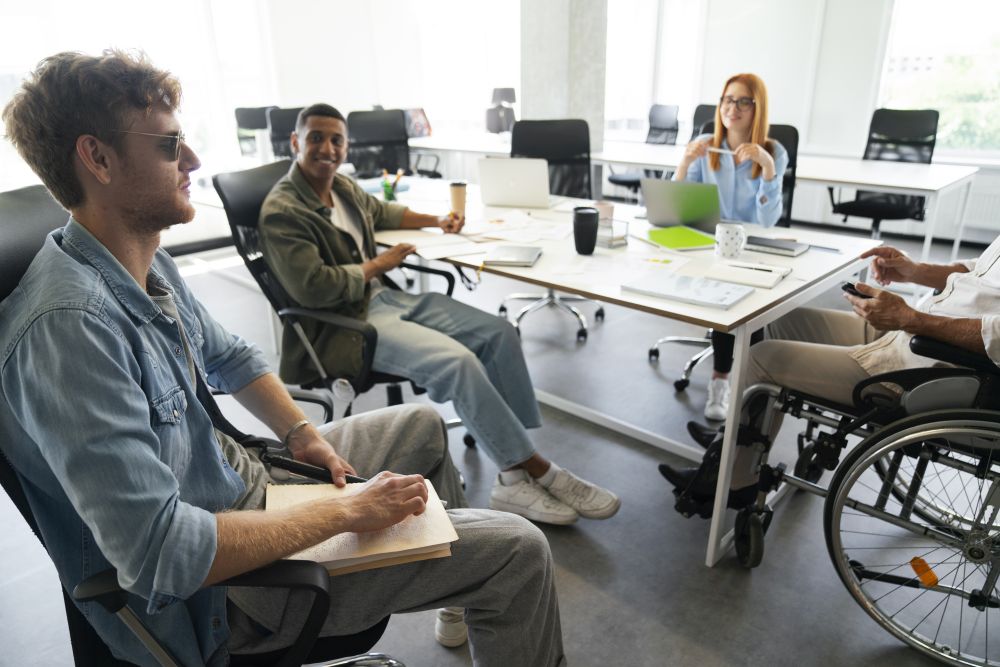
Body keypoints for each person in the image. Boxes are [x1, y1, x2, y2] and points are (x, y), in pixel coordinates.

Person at [0, 50, 566, 667]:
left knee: (423, 425)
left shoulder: (142, 259)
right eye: (169, 145)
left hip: (243, 482)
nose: (192, 160)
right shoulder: (69, 333)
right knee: (518, 549)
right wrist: (342, 511)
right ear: (98, 158)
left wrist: (300, 432)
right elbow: (161, 553)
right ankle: (474, 576)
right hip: (229, 594)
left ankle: (454, 586)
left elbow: (230, 354)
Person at [257, 103, 620, 526]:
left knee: (498, 332)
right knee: (457, 362)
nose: (327, 147)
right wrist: (380, 264)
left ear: (346, 146)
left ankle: (513, 468)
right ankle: (535, 469)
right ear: (296, 141)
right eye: (316, 137)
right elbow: (313, 288)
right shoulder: (283, 210)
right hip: (346, 325)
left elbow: (382, 212)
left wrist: (438, 221)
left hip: (383, 299)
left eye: (336, 139)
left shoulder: (341, 187)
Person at [659, 238, 1000, 512]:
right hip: (916, 337)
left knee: (760, 358)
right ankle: (733, 443)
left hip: (929, 368)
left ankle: (733, 482)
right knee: (776, 319)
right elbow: (979, 275)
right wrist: (915, 271)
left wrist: (910, 319)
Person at [672, 73, 788, 421]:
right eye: (726, 100)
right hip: (710, 246)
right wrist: (684, 163)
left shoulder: (773, 152)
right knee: (724, 298)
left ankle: (752, 388)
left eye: (742, 101)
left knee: (748, 306)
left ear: (757, 108)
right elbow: (678, 208)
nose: (731, 108)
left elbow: (767, 221)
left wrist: (767, 170)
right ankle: (722, 380)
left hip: (753, 249)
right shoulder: (706, 146)